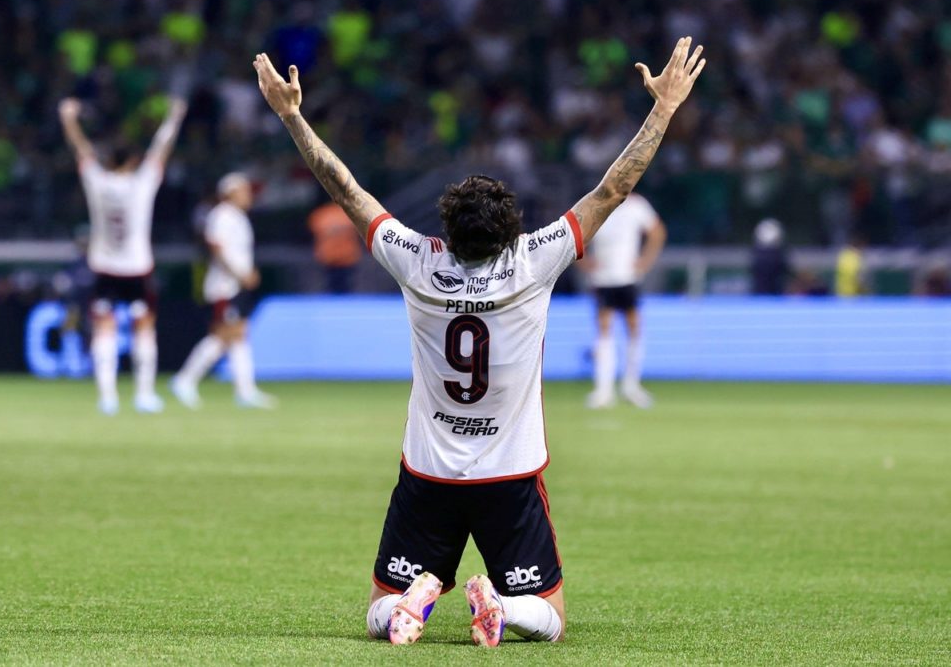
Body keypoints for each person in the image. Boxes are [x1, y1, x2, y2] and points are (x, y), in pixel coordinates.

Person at [254, 37, 704, 647]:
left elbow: (346, 190)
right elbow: (610, 192)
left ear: (446, 228)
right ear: (511, 229)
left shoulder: (416, 261)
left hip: (429, 473)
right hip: (510, 475)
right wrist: (664, 109)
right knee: (551, 622)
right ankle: (503, 606)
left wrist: (292, 117)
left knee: (375, 615)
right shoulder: (532, 262)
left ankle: (413, 604)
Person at [58, 96, 187, 415]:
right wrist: (174, 117)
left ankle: (108, 396)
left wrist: (69, 119)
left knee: (104, 329)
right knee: (144, 328)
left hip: (103, 267)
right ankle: (144, 394)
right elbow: (161, 150)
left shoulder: (97, 181)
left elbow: (82, 150)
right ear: (131, 161)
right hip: (137, 267)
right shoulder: (142, 183)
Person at [171, 173, 277, 409]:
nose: (249, 196)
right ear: (229, 192)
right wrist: (241, 273)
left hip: (235, 285)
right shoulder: (221, 215)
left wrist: (248, 272)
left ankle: (245, 390)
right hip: (223, 285)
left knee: (238, 334)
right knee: (223, 334)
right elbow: (216, 247)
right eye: (244, 191)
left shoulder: (238, 217)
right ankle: (185, 379)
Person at [583, 192, 666, 409]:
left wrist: (645, 261)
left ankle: (631, 386)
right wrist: (585, 262)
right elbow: (576, 235)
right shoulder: (597, 204)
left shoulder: (637, 205)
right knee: (604, 329)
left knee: (634, 328)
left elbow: (657, 231)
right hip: (603, 277)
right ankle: (604, 389)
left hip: (627, 276)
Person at [307, 201, 362, 293]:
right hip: (333, 257)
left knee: (343, 284)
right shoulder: (348, 214)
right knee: (335, 284)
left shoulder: (322, 214)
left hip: (343, 257)